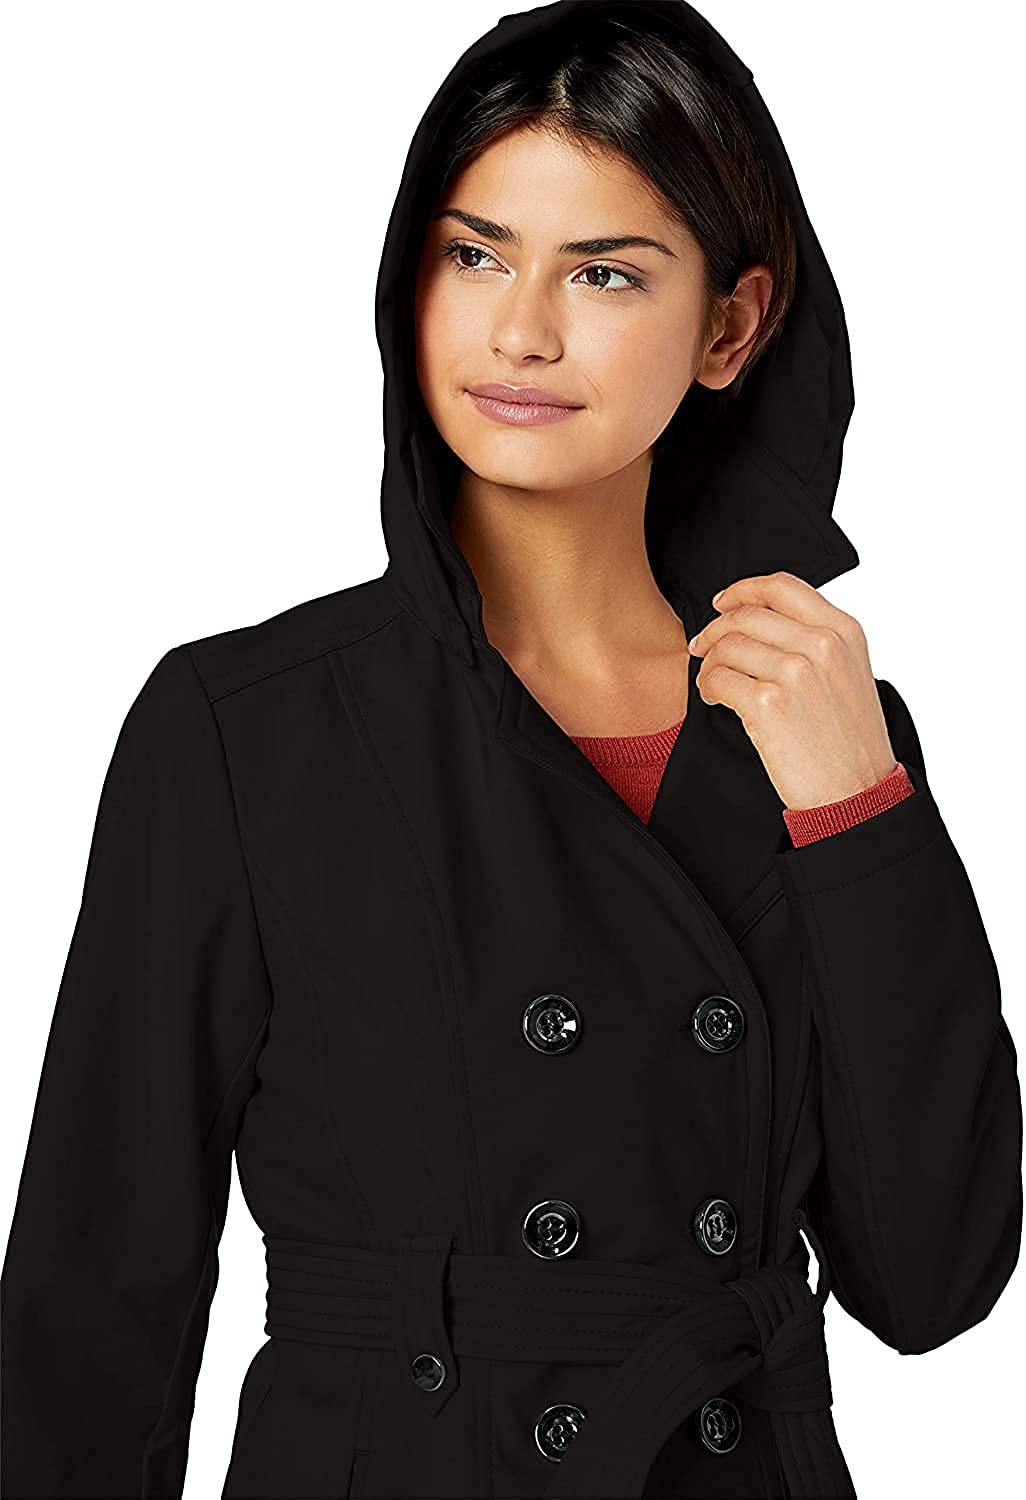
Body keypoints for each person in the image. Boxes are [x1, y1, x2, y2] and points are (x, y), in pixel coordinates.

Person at [2, 2, 1021, 1497]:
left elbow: (931, 1284)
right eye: (474, 255)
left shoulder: (813, 724)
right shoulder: (245, 729)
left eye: (604, 273)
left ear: (731, 327)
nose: (521, 330)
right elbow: (98, 1304)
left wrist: (860, 814)